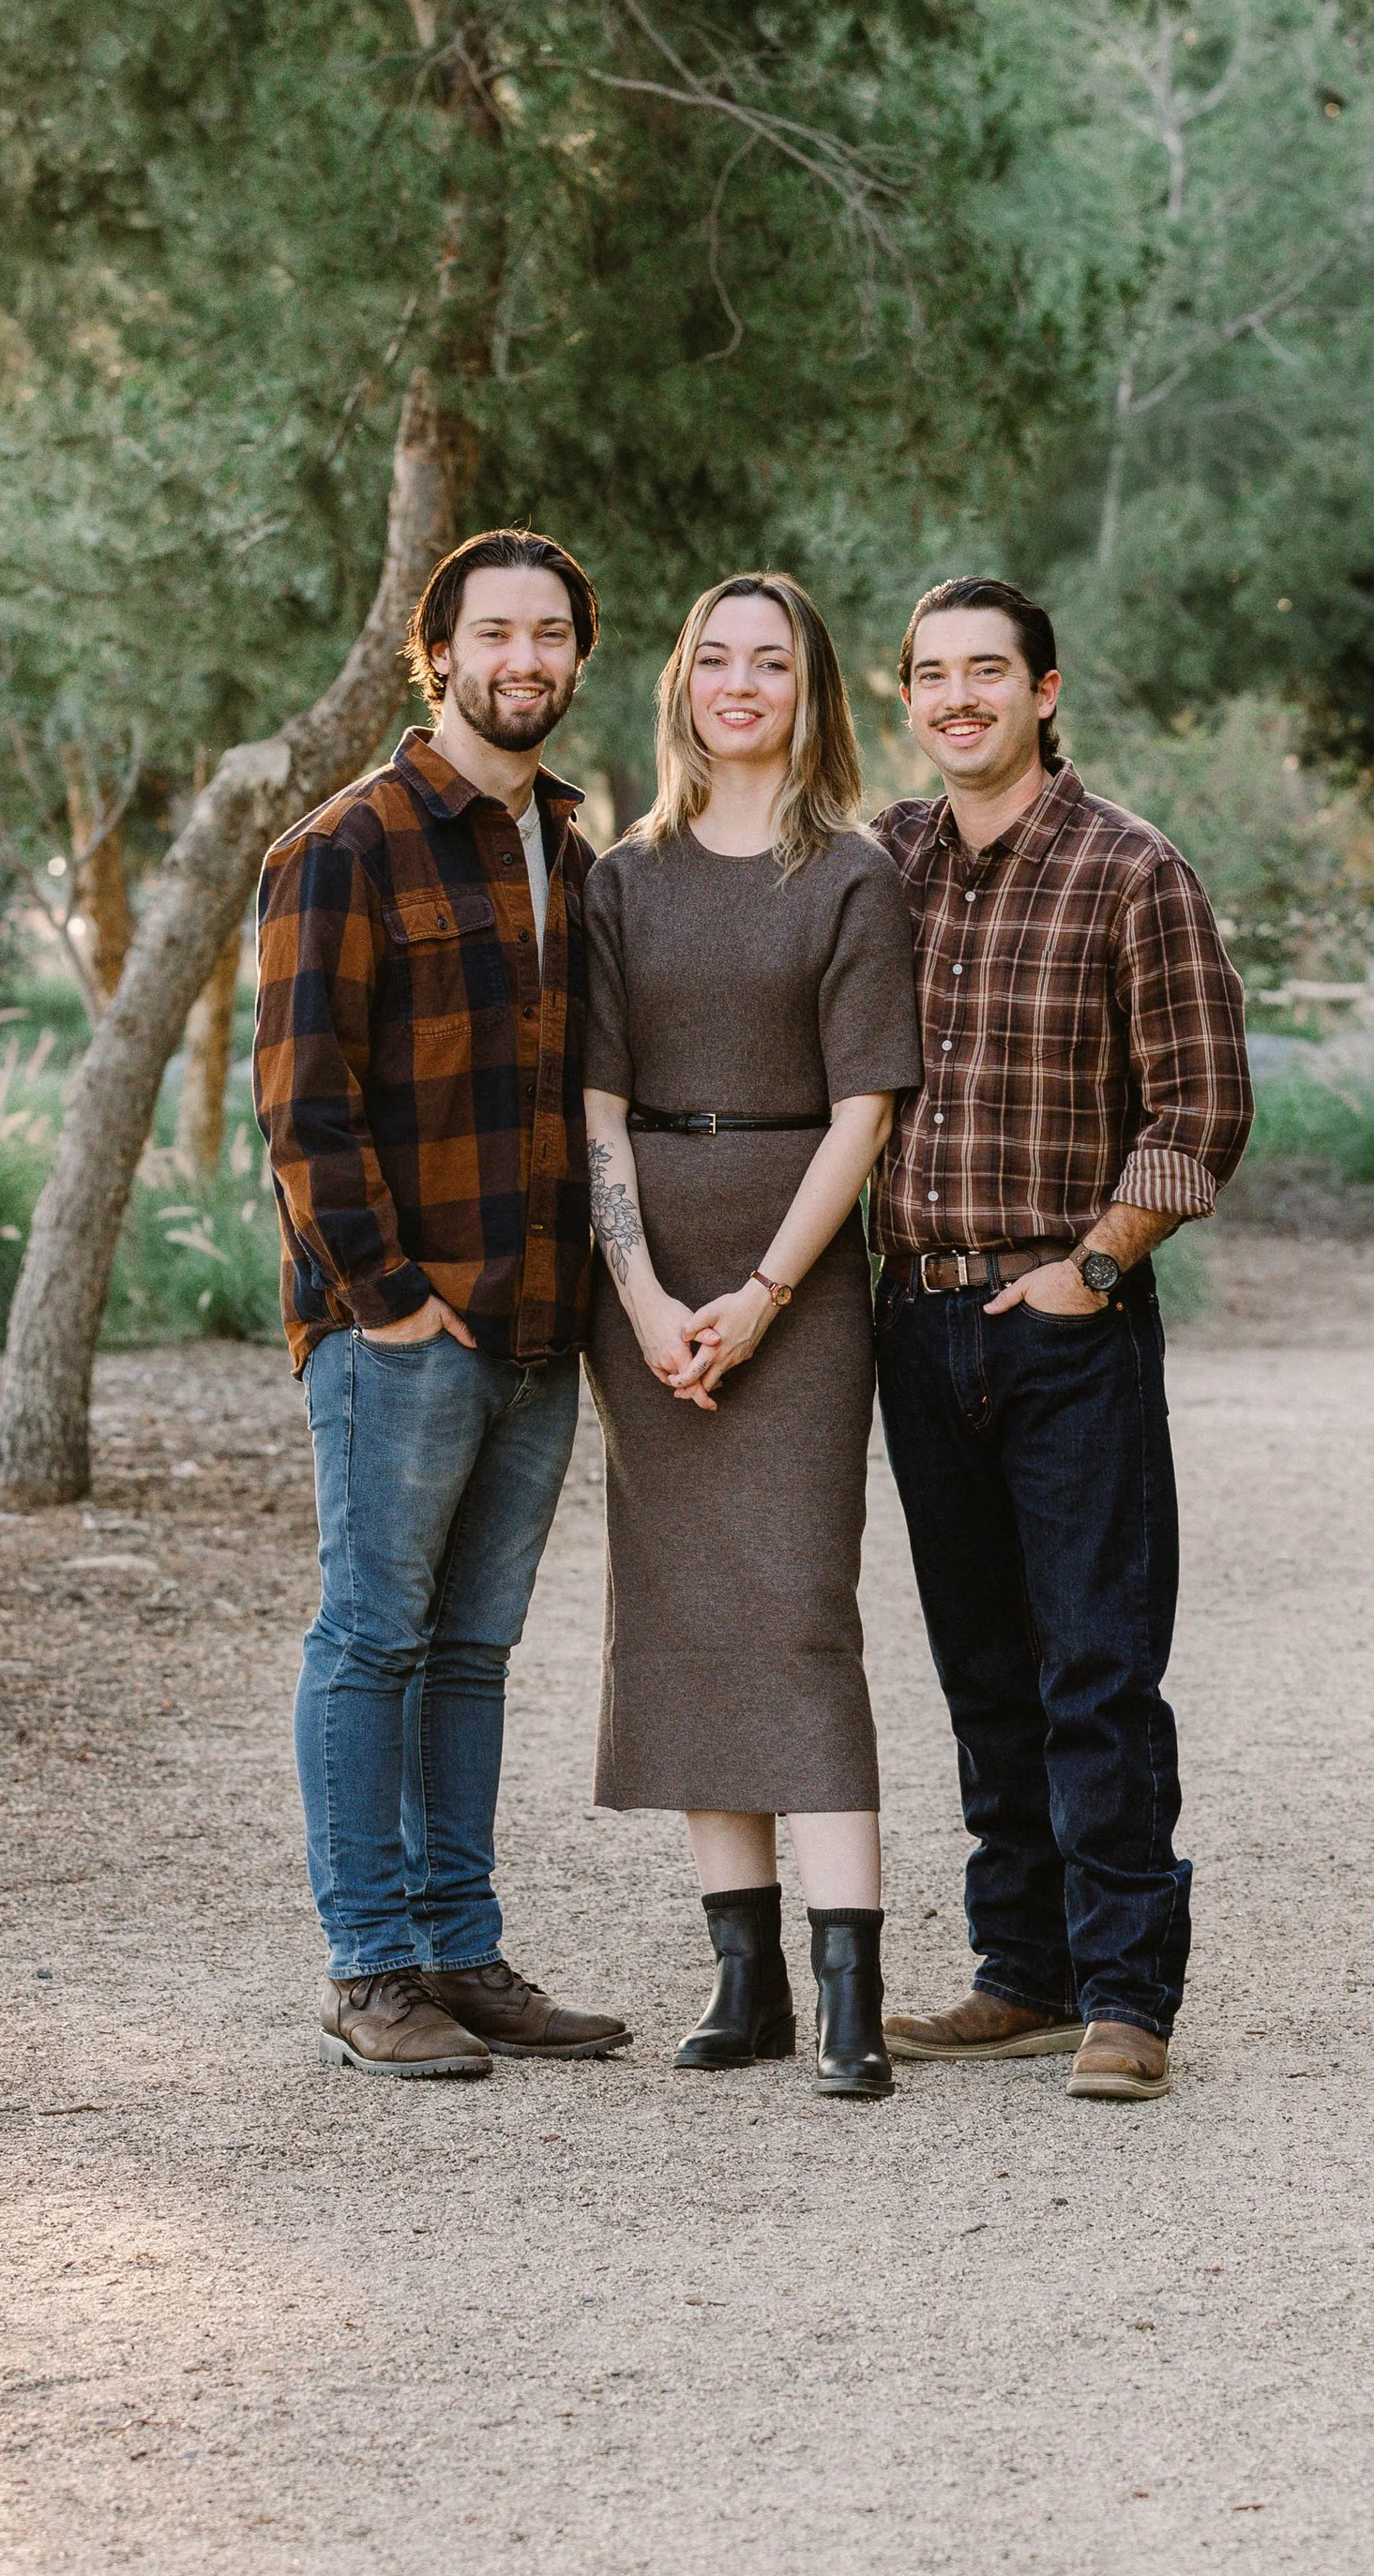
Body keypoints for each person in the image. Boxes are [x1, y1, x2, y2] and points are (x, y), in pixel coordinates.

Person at [870, 577, 1253, 2101]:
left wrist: (1096, 1268)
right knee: (981, 1665)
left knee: (1096, 1659)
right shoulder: (882, 866)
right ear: (908, 699)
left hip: (1063, 1316)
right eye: (930, 674)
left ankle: (1126, 1996)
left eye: (987, 671)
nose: (957, 697)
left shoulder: (1129, 868)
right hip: (916, 1314)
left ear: (1043, 691)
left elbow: (1202, 1106)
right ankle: (1017, 1970)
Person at [254, 529, 629, 2083]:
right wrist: (388, 1302)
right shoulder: (344, 844)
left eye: (551, 635)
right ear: (442, 653)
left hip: (541, 1327)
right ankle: (371, 1970)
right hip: (406, 1331)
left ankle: (460, 1952)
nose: (524, 659)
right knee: (374, 1637)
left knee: (471, 1651)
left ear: (576, 660)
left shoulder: (574, 850)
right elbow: (301, 1106)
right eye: (496, 634)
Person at [582, 574, 923, 2097]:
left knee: (796, 1610)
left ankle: (852, 1985)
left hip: (799, 1282)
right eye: (713, 658)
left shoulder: (850, 873)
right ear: (680, 686)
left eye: (768, 662)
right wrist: (646, 1293)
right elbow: (593, 1100)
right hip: (647, 1284)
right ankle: (747, 1979)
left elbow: (867, 1107)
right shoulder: (619, 879)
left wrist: (769, 1292)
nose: (739, 683)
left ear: (808, 689)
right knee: (687, 1617)